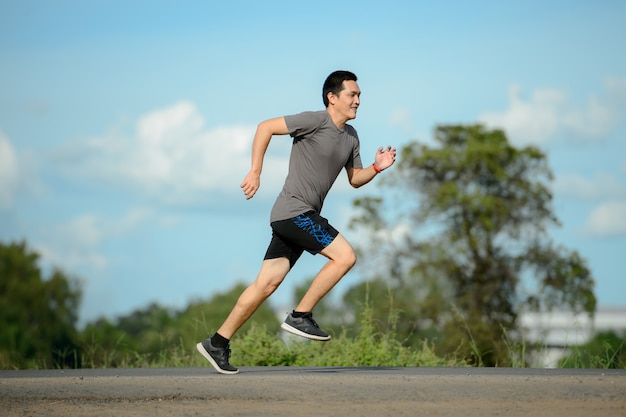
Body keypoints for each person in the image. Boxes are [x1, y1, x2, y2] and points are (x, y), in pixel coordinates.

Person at [196, 70, 397, 374]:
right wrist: (255, 171)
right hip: (294, 212)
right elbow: (265, 128)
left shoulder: (351, 137)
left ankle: (217, 343)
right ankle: (300, 315)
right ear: (332, 98)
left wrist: (376, 168)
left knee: (266, 284)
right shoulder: (314, 120)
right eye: (351, 95)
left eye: (359, 96)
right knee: (345, 256)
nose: (357, 101)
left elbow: (355, 179)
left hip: (296, 217)